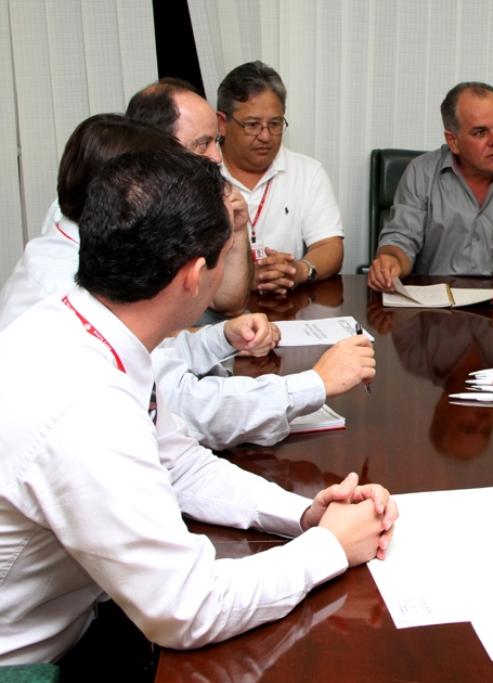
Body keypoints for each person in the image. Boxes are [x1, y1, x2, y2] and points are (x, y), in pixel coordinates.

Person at [0, 150, 398, 668]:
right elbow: (187, 609)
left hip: (84, 614)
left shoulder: (81, 323)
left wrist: (303, 514)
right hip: (33, 661)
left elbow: (179, 463)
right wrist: (328, 548)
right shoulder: (87, 406)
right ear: (194, 275)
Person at [0, 114, 375, 450]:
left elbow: (151, 358)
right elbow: (186, 408)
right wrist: (316, 383)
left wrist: (221, 338)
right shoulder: (74, 281)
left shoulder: (69, 242)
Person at [368, 82, 493, 304]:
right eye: (480, 132)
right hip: (437, 314)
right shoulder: (421, 174)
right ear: (453, 141)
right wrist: (390, 262)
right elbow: (401, 240)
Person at [127, 77, 252, 314]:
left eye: (217, 141)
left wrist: (236, 231)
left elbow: (228, 303)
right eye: (203, 144)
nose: (216, 157)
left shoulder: (198, 198)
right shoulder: (113, 207)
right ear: (158, 146)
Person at [218, 61, 344, 293]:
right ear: (222, 124)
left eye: (275, 124)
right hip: (216, 313)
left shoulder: (308, 172)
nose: (265, 136)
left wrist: (298, 270)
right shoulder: (200, 173)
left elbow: (330, 246)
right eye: (253, 125)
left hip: (287, 308)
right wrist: (239, 278)